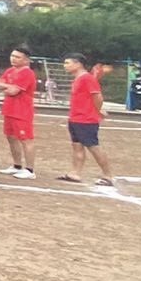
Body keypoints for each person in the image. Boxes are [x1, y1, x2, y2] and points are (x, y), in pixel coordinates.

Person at [60, 54, 117, 186]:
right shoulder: (78, 79)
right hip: (76, 118)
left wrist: (98, 110)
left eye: (68, 63)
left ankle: (107, 175)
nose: (65, 66)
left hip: (86, 120)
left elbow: (97, 97)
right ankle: (75, 173)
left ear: (78, 64)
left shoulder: (87, 78)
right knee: (77, 147)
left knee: (94, 147)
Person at [0, 47, 38, 178]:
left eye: (17, 57)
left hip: (22, 111)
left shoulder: (27, 73)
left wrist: (7, 87)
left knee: (26, 139)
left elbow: (14, 91)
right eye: (12, 56)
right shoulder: (10, 71)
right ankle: (17, 165)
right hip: (9, 109)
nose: (13, 59)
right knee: (11, 137)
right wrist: (8, 86)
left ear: (26, 60)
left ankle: (30, 170)